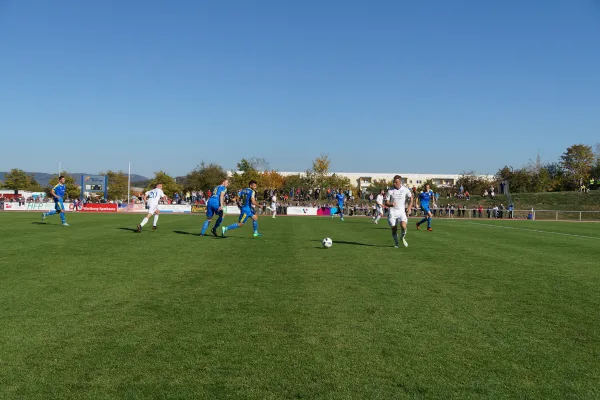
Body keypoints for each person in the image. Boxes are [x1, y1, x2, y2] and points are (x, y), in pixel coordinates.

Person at [385, 175, 413, 248]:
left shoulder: (406, 189)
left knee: (403, 226)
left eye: (396, 182)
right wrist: (391, 204)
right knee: (394, 229)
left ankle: (402, 237)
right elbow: (386, 203)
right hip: (392, 212)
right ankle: (396, 243)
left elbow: (411, 198)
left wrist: (409, 208)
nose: (394, 183)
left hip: (401, 212)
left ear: (400, 182)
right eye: (394, 182)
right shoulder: (390, 191)